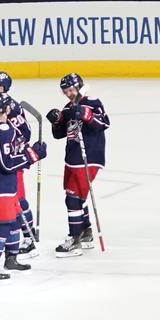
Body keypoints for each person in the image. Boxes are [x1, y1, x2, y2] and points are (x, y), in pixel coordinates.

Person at [0, 92, 47, 280]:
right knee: (4, 224)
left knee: (15, 219)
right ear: (7, 109)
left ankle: (11, 259)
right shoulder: (3, 129)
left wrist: (27, 151)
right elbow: (7, 164)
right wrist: (33, 155)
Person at [47, 72, 110, 257]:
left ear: (79, 86)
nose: (68, 93)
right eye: (65, 91)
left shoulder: (92, 101)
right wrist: (57, 121)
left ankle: (74, 240)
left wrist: (86, 114)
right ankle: (86, 232)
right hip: (72, 158)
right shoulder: (67, 108)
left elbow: (104, 123)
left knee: (73, 198)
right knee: (76, 197)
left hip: (90, 157)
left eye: (71, 89)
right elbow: (59, 134)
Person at [0, 71, 39, 256]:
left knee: (18, 200)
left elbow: (25, 132)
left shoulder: (10, 107)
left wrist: (14, 149)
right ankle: (4, 235)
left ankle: (30, 238)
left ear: (0, 88)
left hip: (12, 162)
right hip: (2, 161)